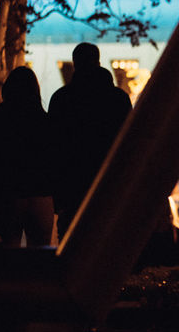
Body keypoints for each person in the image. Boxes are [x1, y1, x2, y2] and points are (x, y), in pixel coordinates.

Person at [48, 43, 132, 240]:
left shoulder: (61, 99)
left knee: (70, 243)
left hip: (72, 186)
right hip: (110, 184)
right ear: (99, 61)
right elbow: (129, 143)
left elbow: (53, 147)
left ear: (75, 64)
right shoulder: (119, 98)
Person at [0, 66, 54, 247]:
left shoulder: (0, 119)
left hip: (9, 194)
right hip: (41, 194)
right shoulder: (44, 120)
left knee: (8, 255)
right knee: (41, 253)